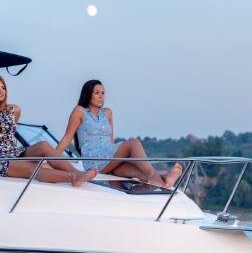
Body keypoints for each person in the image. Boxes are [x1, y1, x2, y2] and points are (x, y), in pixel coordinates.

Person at [0, 75, 97, 186]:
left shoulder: (14, 110)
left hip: (14, 152)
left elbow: (9, 135)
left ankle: (79, 172)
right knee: (32, 168)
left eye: (3, 87)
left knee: (44, 145)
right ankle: (73, 178)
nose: (1, 90)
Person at [53, 79, 182, 187]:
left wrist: (118, 159)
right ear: (88, 94)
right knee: (133, 143)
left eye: (103, 93)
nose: (101, 96)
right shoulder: (79, 112)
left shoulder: (107, 113)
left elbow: (111, 141)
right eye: (97, 92)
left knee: (135, 171)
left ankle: (166, 178)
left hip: (109, 157)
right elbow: (67, 137)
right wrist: (51, 159)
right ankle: (158, 179)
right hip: (94, 160)